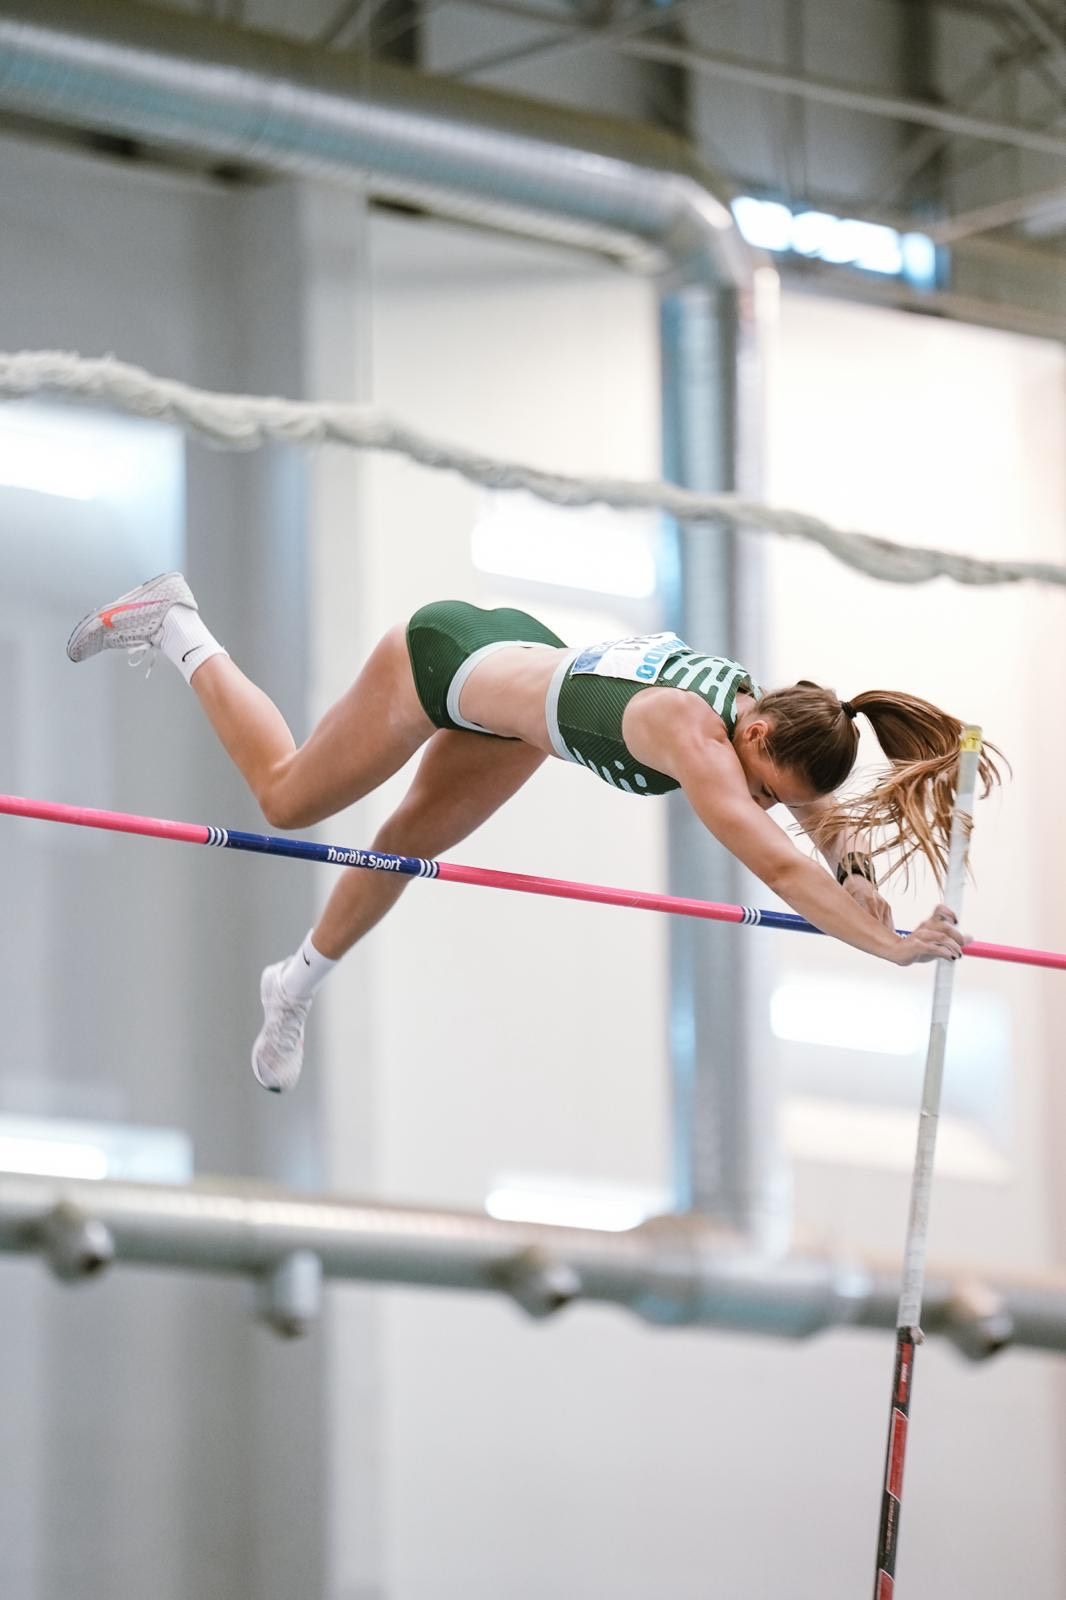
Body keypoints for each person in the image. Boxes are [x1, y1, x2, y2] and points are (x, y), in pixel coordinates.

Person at [66, 573, 1001, 1093]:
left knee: (402, 848)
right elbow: (780, 874)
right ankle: (177, 622)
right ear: (750, 738)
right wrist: (892, 947)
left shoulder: (763, 708)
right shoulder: (695, 735)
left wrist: (856, 866)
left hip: (522, 703)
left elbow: (808, 816)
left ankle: (294, 984)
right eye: (761, 786)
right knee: (285, 802)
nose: (763, 804)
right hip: (443, 661)